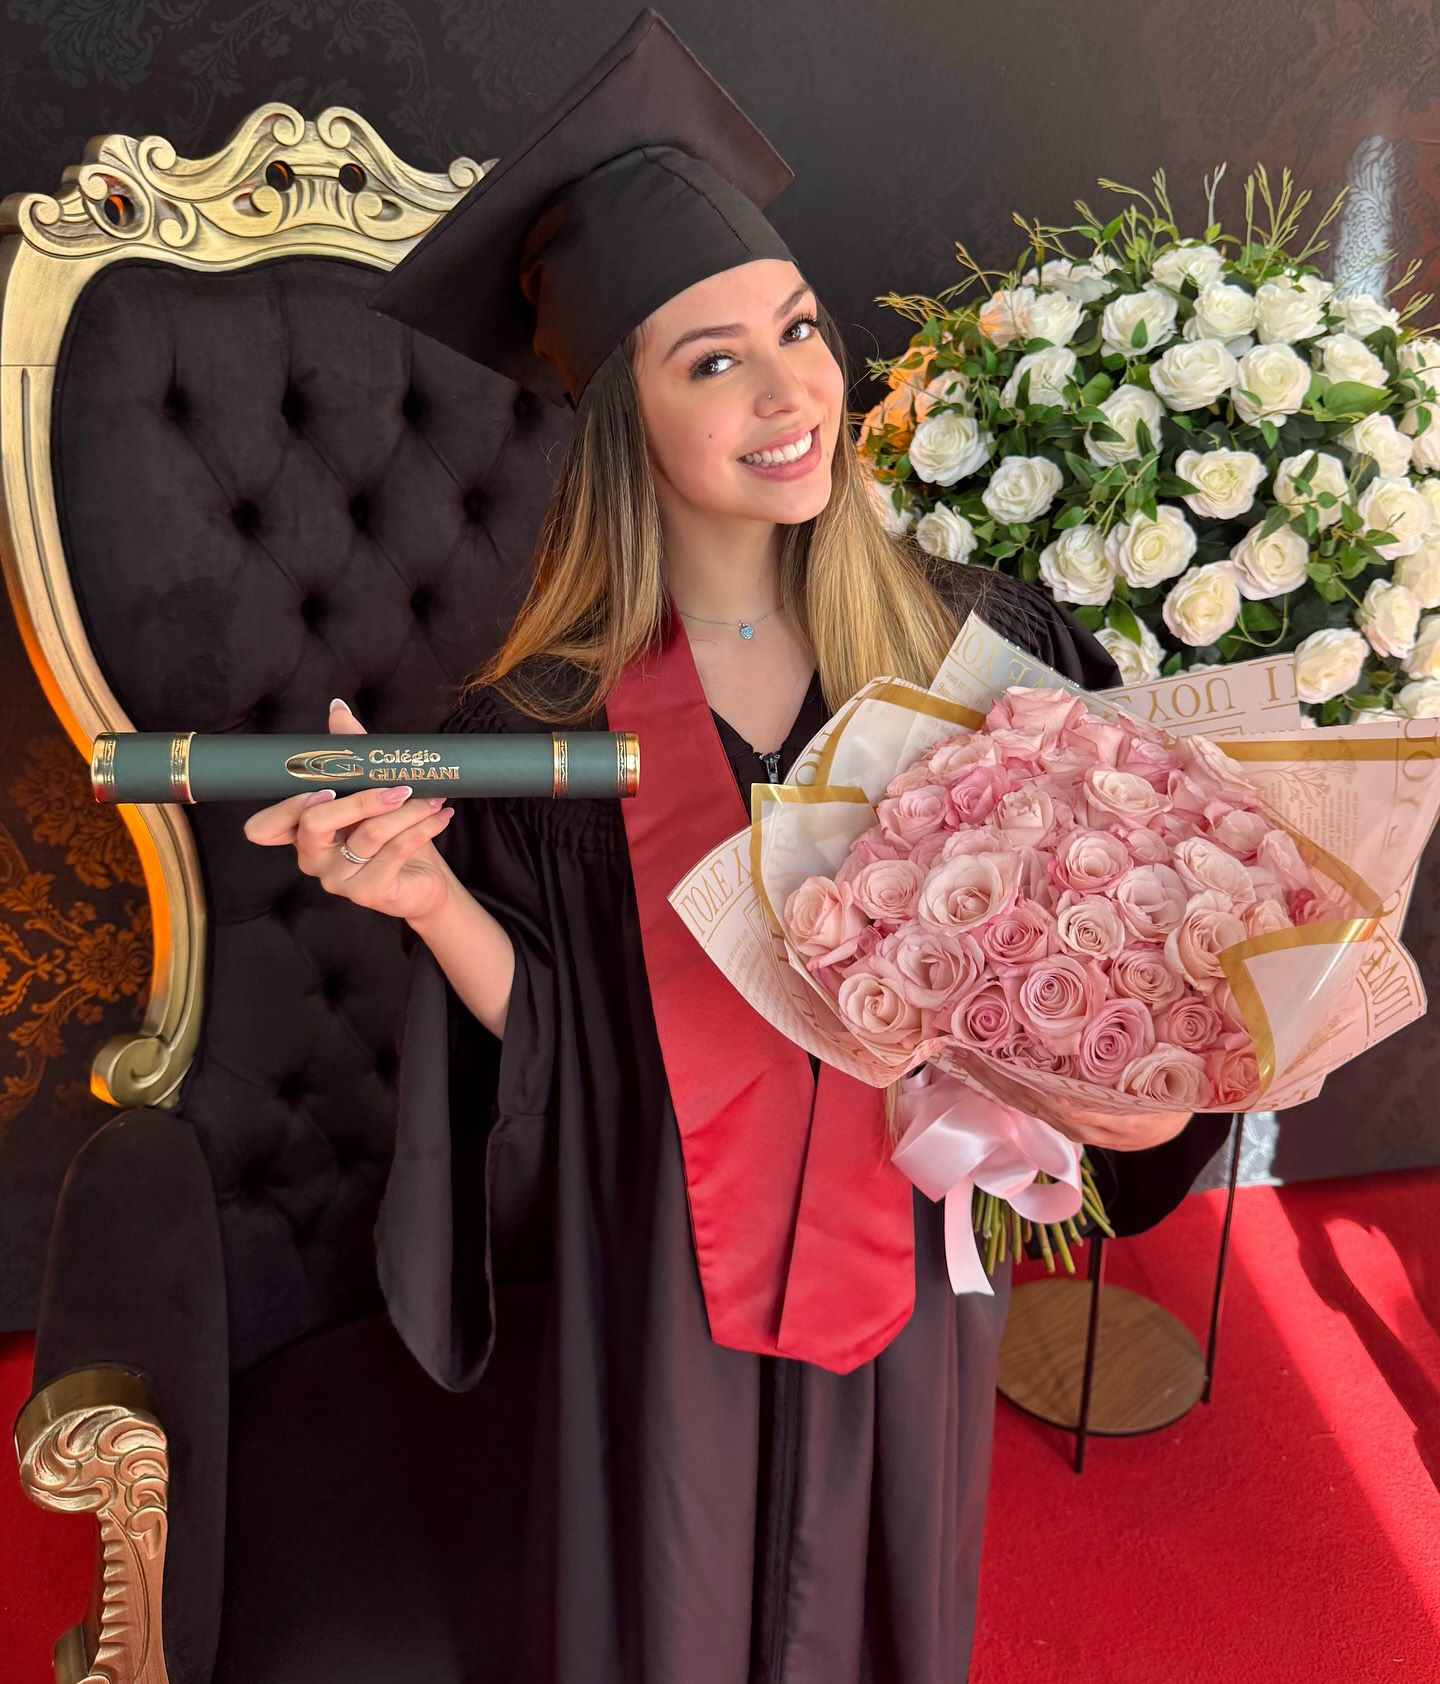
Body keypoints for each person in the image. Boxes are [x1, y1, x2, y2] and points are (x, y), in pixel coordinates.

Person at [243, 9, 1204, 1679]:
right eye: (714, 360)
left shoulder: (979, 653)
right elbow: (565, 1054)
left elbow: (1087, 977)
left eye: (800, 330)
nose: (793, 394)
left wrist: (1144, 1059)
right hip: (660, 1285)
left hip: (905, 1275)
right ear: (620, 411)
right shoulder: (549, 718)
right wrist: (419, 897)